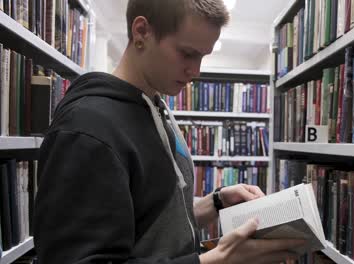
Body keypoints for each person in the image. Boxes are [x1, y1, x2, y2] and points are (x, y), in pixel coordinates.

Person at [33, 0, 305, 263]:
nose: (196, 71)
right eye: (188, 53)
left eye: (203, 56)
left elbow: (152, 222)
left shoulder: (156, 105)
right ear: (141, 32)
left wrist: (216, 202)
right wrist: (219, 260)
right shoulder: (86, 129)